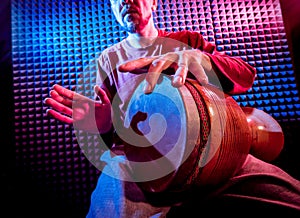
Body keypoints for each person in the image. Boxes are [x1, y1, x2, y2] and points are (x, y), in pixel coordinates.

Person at [44, 0, 300, 217]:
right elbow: (115, 134)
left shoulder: (185, 41)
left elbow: (245, 75)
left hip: (217, 151)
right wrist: (105, 125)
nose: (125, 2)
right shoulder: (108, 60)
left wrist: (200, 59)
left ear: (154, 1)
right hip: (146, 168)